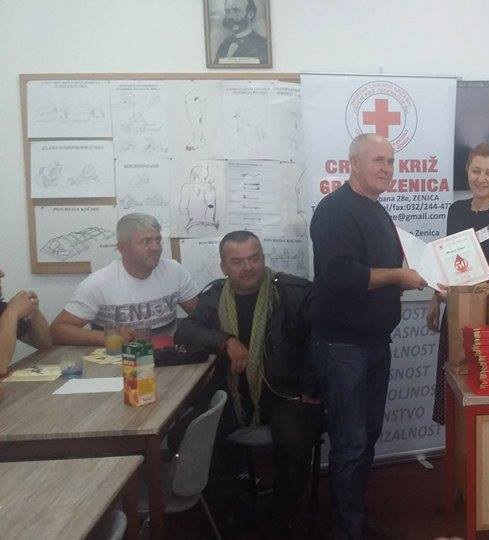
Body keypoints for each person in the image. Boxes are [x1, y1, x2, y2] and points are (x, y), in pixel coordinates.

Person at [309, 133, 426, 539]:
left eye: (390, 162)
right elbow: (341, 274)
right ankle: (348, 530)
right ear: (353, 163)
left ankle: (353, 517)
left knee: (367, 438)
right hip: (344, 348)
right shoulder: (334, 210)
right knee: (350, 443)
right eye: (378, 160)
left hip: (375, 344)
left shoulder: (377, 210)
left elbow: (384, 267)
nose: (386, 169)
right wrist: (397, 276)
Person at [174, 230, 321, 533]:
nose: (248, 267)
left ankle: (280, 519)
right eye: (237, 261)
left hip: (285, 393)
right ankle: (237, 512)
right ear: (223, 267)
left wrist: (312, 387)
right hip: (233, 395)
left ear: (263, 258)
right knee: (183, 435)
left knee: (295, 439)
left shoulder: (292, 292)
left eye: (254, 258)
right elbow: (185, 332)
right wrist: (225, 340)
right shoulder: (215, 297)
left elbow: (320, 340)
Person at [427, 142, 489, 424]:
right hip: (455, 310)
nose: (481, 179)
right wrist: (435, 298)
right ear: (467, 171)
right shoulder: (456, 210)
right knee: (453, 390)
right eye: (476, 171)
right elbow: (447, 260)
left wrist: (465, 289)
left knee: (486, 390)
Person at [50, 213, 201, 345]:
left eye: (158, 240)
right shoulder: (98, 282)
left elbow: (201, 316)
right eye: (146, 241)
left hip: (168, 359)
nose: (156, 247)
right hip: (120, 362)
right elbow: (57, 331)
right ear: (123, 248)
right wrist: (108, 336)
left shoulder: (174, 271)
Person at [0, 268, 53, 376]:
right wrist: (12, 312)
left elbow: (44, 344)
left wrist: (33, 309)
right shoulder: (8, 312)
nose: (2, 274)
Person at [215, 0, 269, 65]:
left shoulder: (262, 45)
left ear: (250, 14)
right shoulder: (224, 44)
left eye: (236, 10)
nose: (230, 16)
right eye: (227, 11)